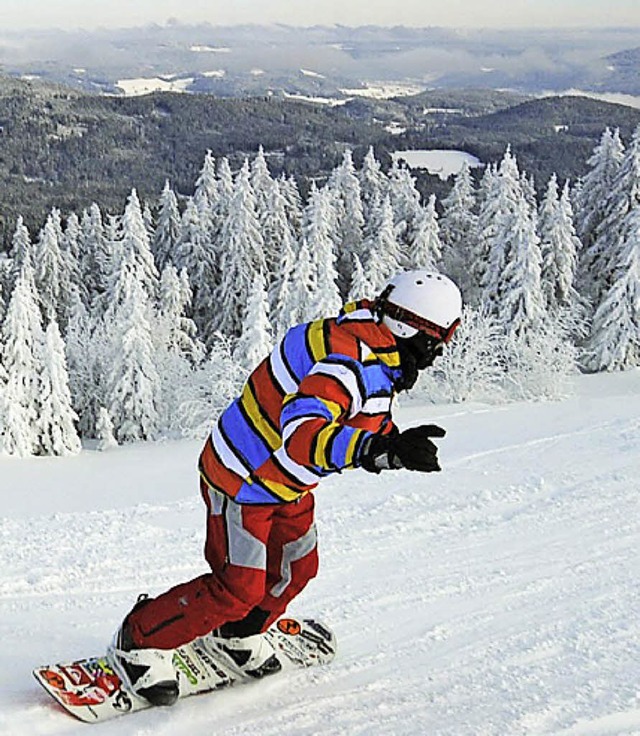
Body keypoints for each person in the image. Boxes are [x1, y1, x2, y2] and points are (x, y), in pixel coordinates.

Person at [108, 269, 463, 706]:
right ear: (414, 331)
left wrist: (393, 447)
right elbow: (303, 434)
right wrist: (374, 448)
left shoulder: (377, 354)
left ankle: (236, 635)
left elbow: (358, 417)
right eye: (437, 342)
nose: (437, 355)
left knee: (297, 566)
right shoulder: (348, 363)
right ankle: (138, 638)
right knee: (239, 586)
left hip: (287, 484)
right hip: (242, 478)